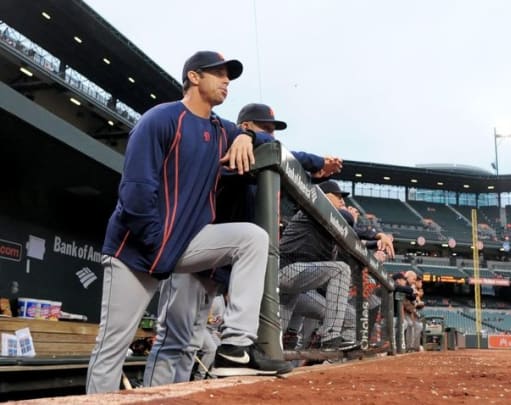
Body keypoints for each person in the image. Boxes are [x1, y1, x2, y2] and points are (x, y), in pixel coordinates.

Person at [86, 51, 292, 394]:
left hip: (182, 245)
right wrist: (158, 246)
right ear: (194, 77)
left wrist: (249, 137)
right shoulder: (161, 119)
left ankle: (235, 347)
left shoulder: (221, 129)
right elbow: (136, 194)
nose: (226, 81)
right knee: (112, 350)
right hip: (134, 251)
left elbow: (278, 146)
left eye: (229, 76)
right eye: (219, 74)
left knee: (253, 238)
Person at [143, 102, 340, 387]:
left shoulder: (252, 160)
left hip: (213, 262)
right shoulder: (229, 148)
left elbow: (281, 161)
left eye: (274, 130)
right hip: (191, 249)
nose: (272, 135)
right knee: (173, 341)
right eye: (266, 128)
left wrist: (313, 174)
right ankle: (151, 395)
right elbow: (281, 154)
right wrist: (315, 161)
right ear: (246, 127)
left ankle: (172, 394)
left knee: (189, 345)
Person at [279, 181, 359, 351]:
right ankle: (330, 336)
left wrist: (378, 237)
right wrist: (349, 216)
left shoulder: (326, 219)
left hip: (297, 286)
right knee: (340, 269)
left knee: (277, 337)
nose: (343, 201)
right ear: (325, 195)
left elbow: (353, 237)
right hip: (284, 272)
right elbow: (347, 219)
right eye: (338, 196)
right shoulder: (312, 208)